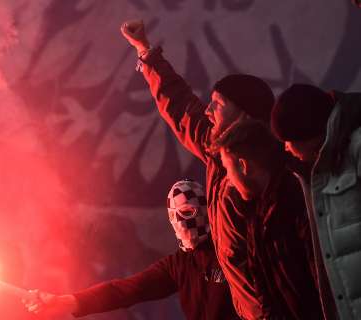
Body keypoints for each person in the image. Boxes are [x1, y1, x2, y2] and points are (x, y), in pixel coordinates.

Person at [120, 19, 274, 319]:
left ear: (242, 115)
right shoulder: (216, 151)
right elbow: (181, 107)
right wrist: (145, 52)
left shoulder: (281, 179)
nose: (207, 109)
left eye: (216, 104)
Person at [23, 179, 238, 320]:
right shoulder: (178, 265)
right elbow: (124, 290)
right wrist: (63, 301)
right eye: (174, 216)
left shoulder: (232, 251)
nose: (180, 222)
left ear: (205, 210)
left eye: (187, 212)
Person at [210, 120, 323, 319]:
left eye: (228, 169)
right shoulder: (256, 216)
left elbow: (321, 279)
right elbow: (265, 292)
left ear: (243, 165)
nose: (229, 180)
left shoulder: (298, 200)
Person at [270, 84, 361, 320]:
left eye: (289, 139)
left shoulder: (357, 150)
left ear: (308, 133)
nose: (286, 148)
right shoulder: (317, 171)